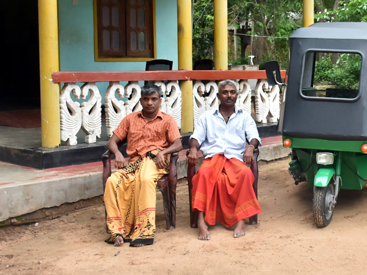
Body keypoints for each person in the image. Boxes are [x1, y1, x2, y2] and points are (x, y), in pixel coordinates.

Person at [104, 84, 182, 247]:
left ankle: (143, 232)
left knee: (145, 179)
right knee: (112, 181)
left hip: (156, 162)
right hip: (133, 164)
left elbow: (178, 144)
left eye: (154, 99)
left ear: (160, 101)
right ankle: (118, 231)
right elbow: (112, 142)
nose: (150, 103)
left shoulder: (168, 120)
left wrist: (163, 152)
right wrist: (118, 154)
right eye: (146, 99)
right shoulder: (130, 119)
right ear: (140, 101)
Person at [187, 80, 262, 240]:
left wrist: (250, 147)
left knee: (246, 174)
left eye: (232, 92)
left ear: (237, 95)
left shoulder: (245, 117)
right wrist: (193, 148)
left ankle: (241, 220)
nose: (229, 95)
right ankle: (201, 222)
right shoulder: (207, 117)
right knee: (202, 175)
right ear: (218, 95)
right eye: (225, 92)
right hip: (213, 158)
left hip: (235, 158)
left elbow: (254, 136)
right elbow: (196, 137)